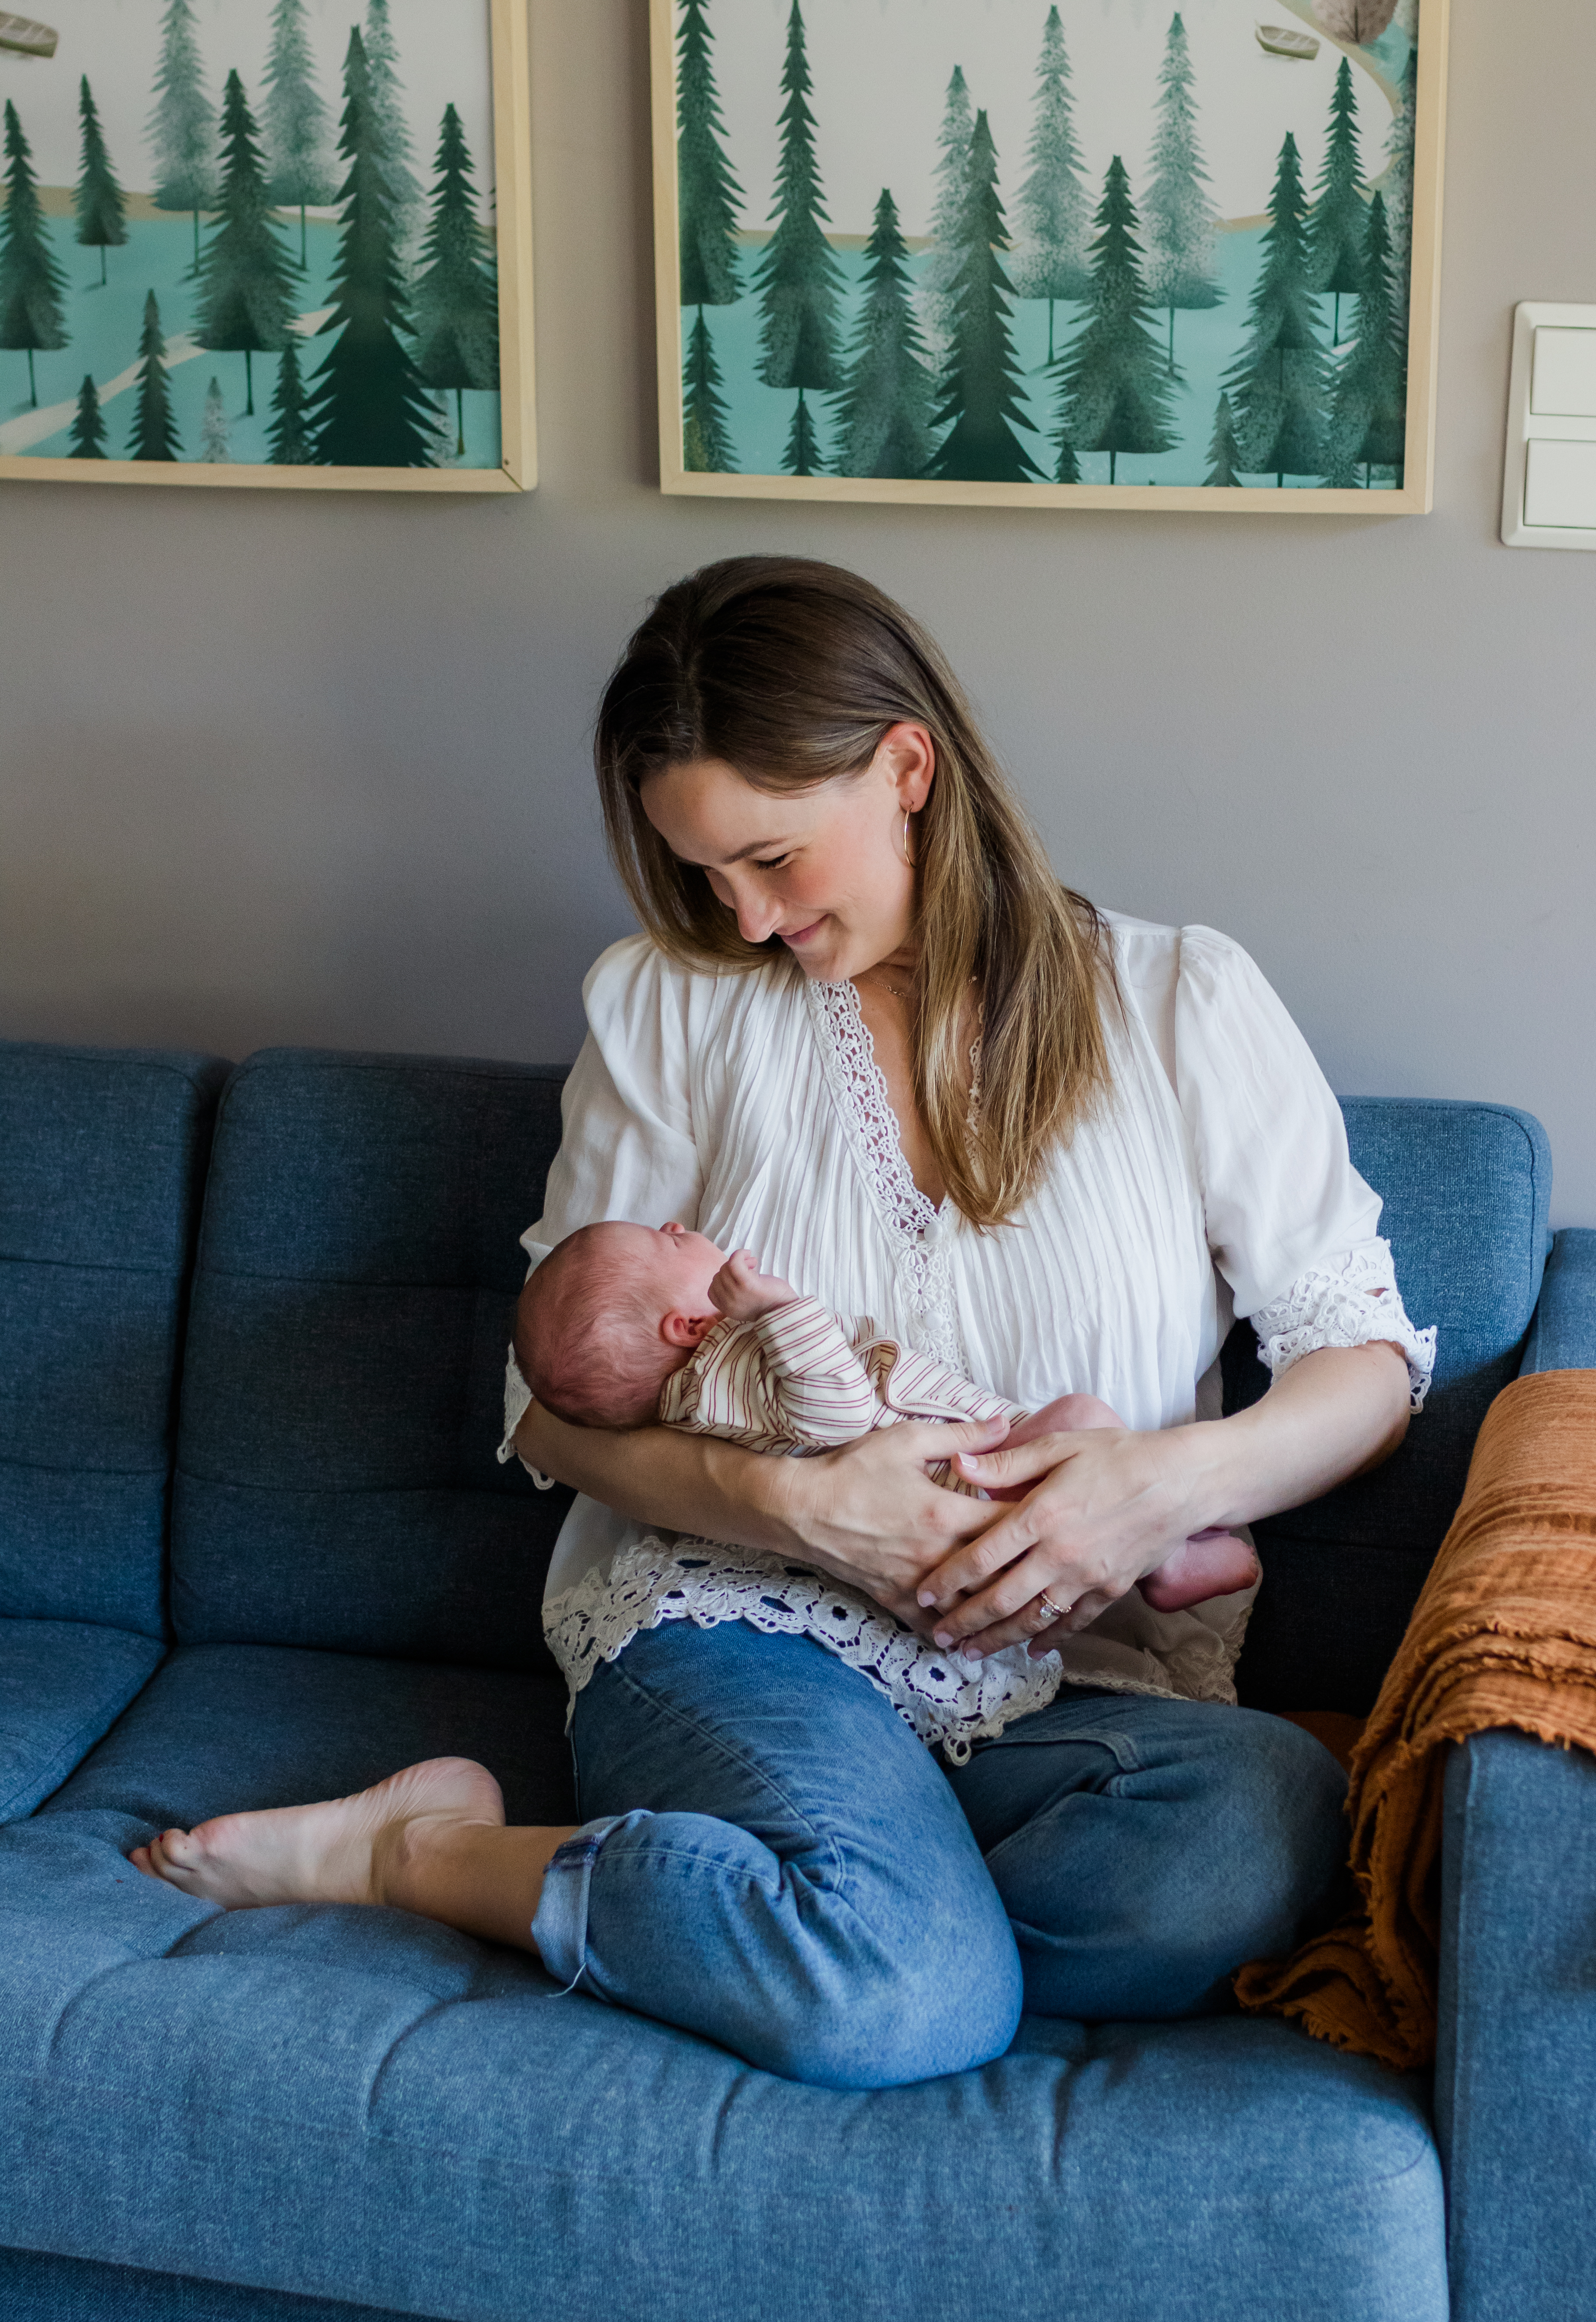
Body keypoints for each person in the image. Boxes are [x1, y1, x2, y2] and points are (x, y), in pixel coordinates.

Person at [130, 556, 1436, 2092]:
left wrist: (1158, 1488)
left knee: (1262, 1825)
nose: (741, 919)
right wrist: (798, 1503)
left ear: (905, 766)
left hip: (1063, 1673)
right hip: (739, 1629)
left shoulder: (1176, 1001)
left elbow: (1361, 1362)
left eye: (766, 858)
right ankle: (426, 1853)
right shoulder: (664, 1007)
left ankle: (821, 1897)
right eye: (703, 877)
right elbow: (550, 1403)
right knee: (901, 2007)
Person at [511, 1217, 1261, 1619]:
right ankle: (1170, 1562)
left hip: (954, 1489)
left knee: (1084, 1439)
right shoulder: (725, 1373)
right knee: (1084, 1420)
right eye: (663, 1239)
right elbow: (838, 1412)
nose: (675, 1223)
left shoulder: (711, 1382)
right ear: (687, 1327)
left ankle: (1169, 1541)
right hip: (953, 1493)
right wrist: (781, 1309)